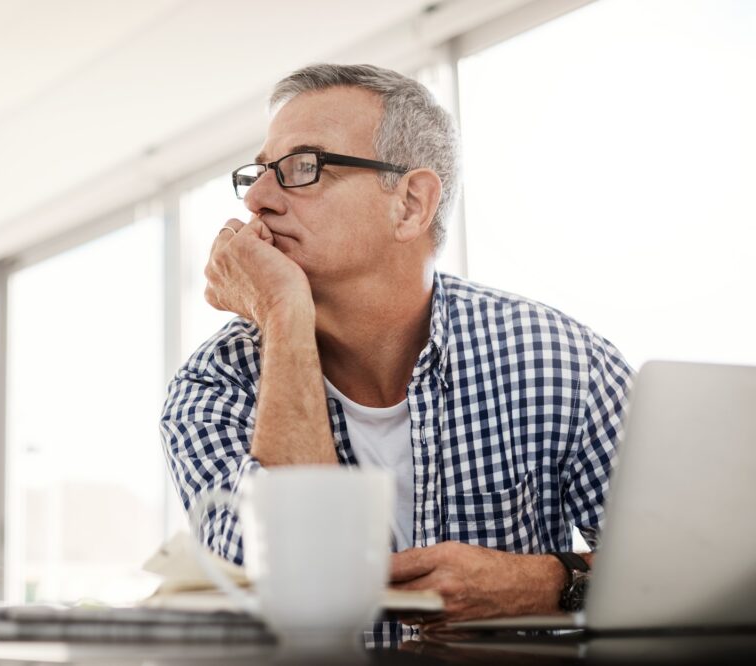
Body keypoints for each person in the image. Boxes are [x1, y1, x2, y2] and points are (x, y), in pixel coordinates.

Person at [159, 63, 633, 645]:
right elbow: (301, 596)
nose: (256, 199)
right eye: (258, 173)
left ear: (410, 204)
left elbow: (691, 569)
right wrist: (283, 314)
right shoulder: (212, 387)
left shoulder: (561, 360)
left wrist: (548, 583)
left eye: (302, 167)